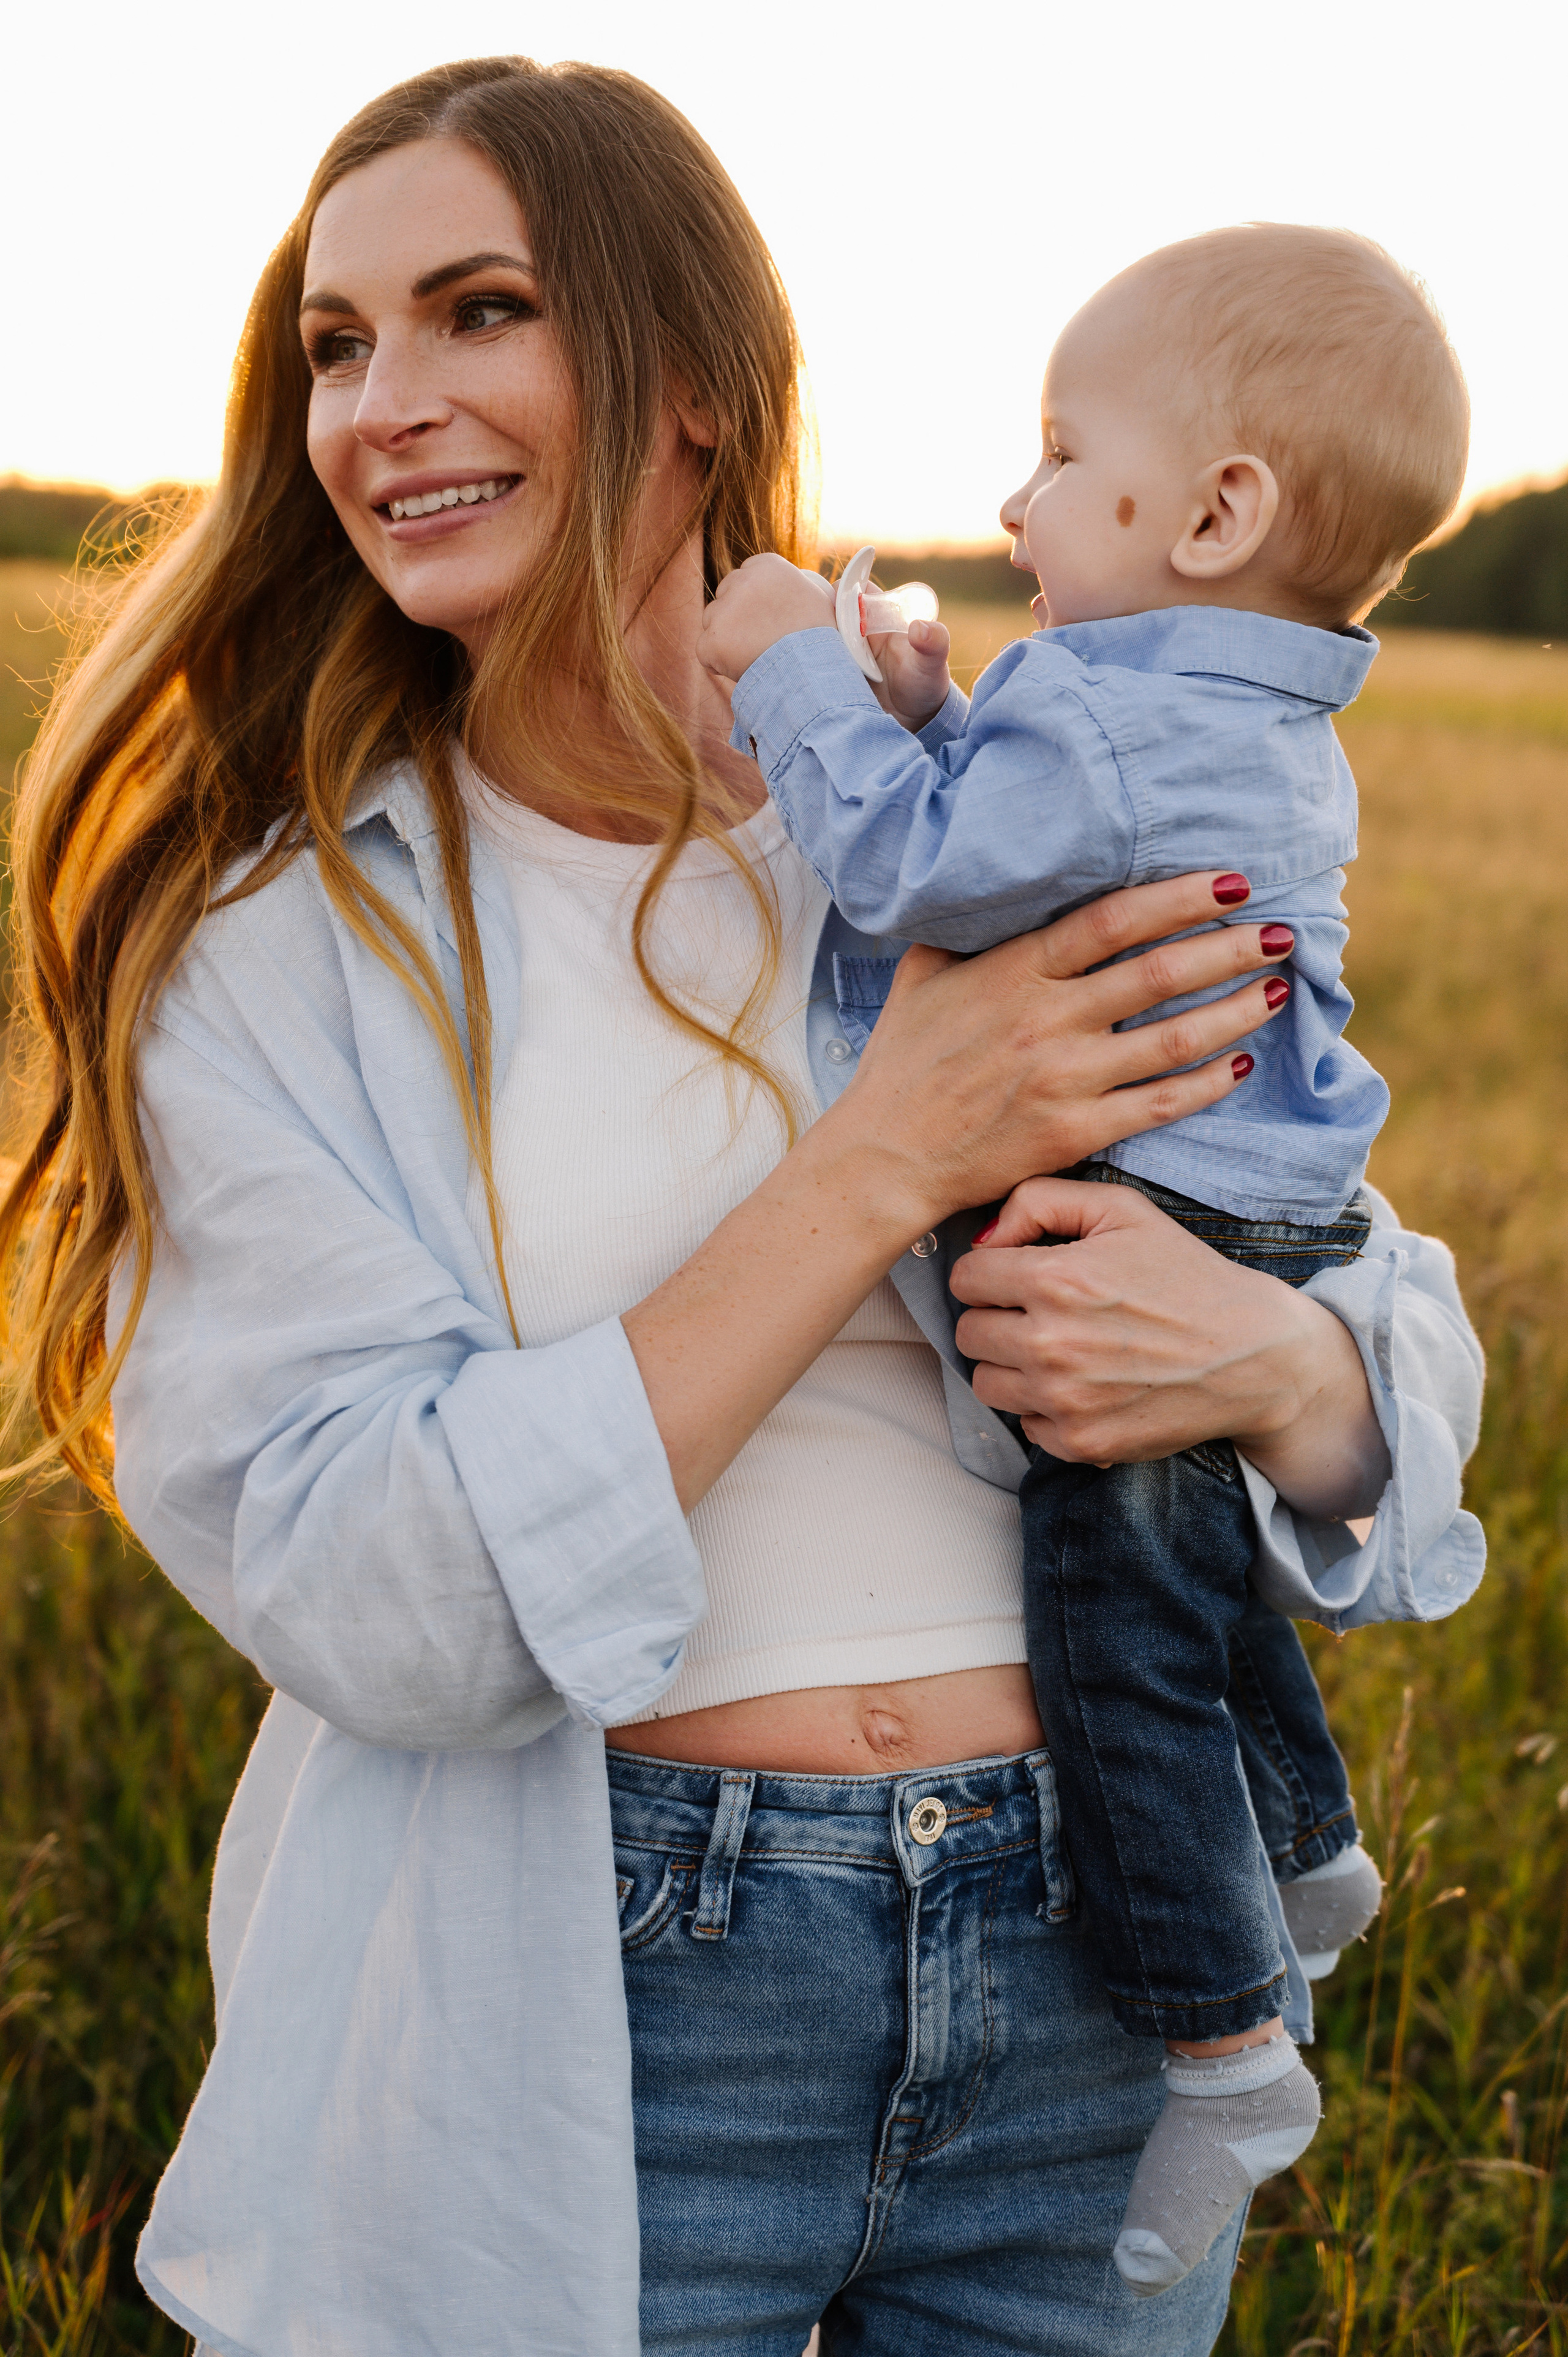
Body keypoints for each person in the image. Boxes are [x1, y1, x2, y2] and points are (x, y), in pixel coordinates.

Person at [0, 60, 1483, 2357]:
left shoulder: (963, 811)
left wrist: (1284, 1369)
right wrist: (887, 1153)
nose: (385, 405)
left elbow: (1361, 1288)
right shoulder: (279, 943)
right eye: (336, 345)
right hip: (604, 2012)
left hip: (1099, 1976)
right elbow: (367, 1585)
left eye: (479, 310)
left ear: (689, 383)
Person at [696, 221, 1474, 2295]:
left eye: (1060, 454)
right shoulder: (1212, 712)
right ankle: (1304, 1844)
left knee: (1114, 1621)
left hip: (1159, 1214)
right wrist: (939, 707)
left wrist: (792, 673)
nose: (1015, 501)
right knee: (1187, 1562)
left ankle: (1224, 2037)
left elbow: (914, 872)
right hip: (1254, 1209)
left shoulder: (1128, 724)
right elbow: (1040, 835)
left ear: (1215, 513)